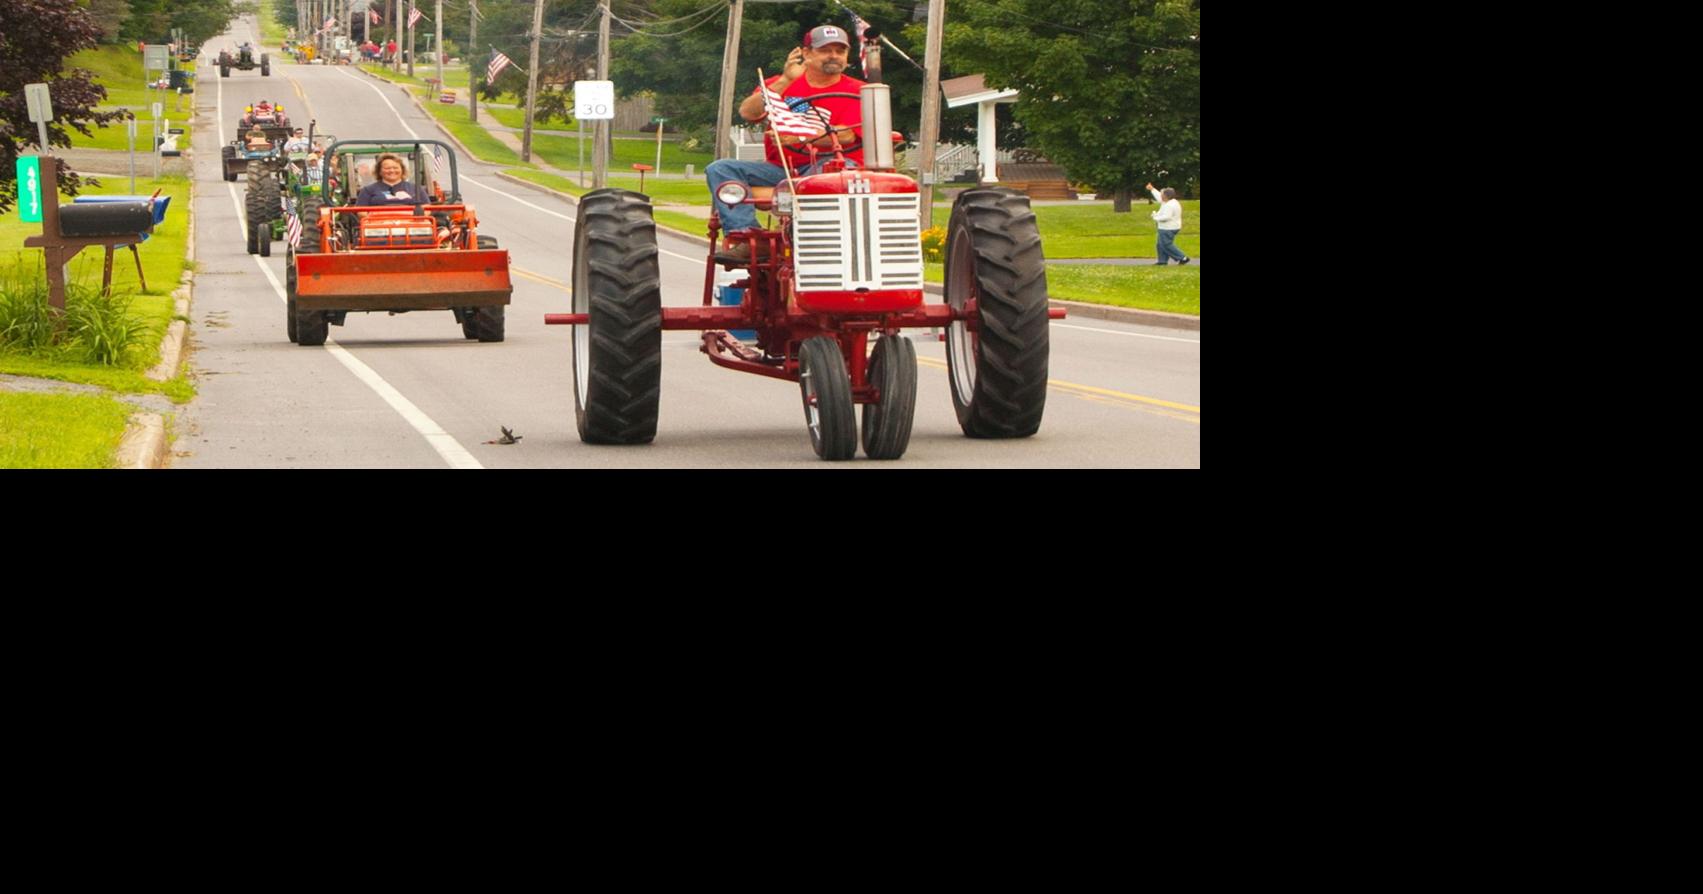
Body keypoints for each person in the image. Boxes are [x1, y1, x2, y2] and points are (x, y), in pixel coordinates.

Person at [704, 25, 866, 266]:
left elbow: (847, 135)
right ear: (806, 53)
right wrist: (785, 80)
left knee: (824, 176)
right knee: (720, 168)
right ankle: (748, 238)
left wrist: (802, 138)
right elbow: (748, 112)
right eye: (825, 50)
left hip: (830, 168)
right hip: (781, 169)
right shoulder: (780, 84)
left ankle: (810, 239)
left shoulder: (857, 90)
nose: (833, 56)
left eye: (840, 51)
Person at [1146, 182, 1190, 266]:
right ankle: (1162, 261)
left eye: (1162, 194)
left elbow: (1166, 217)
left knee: (1166, 244)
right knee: (1160, 244)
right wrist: (1152, 189)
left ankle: (1183, 258)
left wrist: (1155, 217)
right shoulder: (1167, 201)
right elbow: (1159, 197)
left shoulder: (1170, 205)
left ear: (1165, 196)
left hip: (1168, 228)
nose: (1161, 196)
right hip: (1166, 227)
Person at [356, 154, 420, 205]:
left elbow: (426, 208)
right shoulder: (367, 190)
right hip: (378, 220)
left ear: (402, 170)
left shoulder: (415, 188)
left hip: (410, 220)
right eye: (387, 168)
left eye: (395, 168)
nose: (392, 171)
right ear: (379, 171)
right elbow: (362, 212)